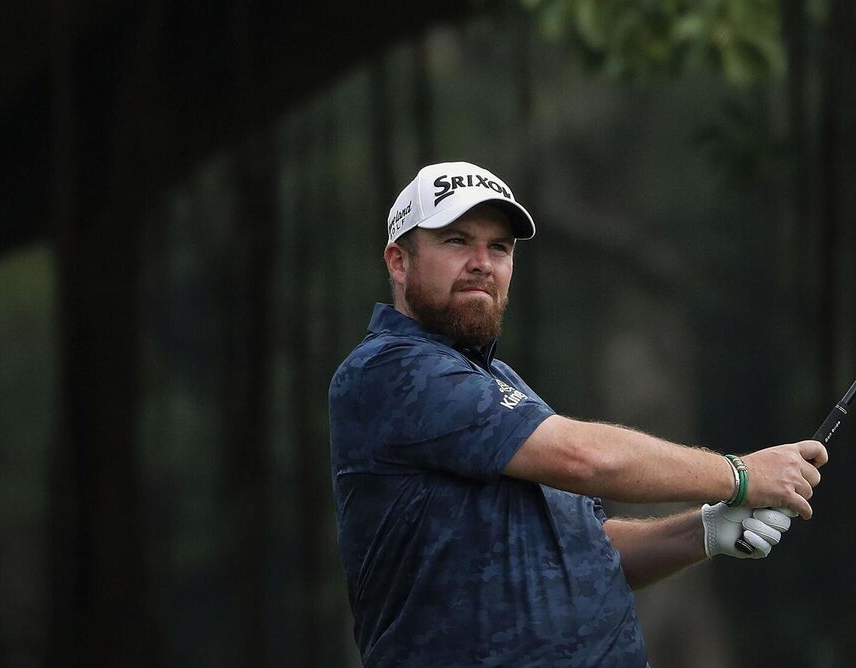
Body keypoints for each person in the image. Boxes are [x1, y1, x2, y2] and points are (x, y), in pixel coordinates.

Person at [329, 161, 828, 667]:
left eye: (499, 247)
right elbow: (588, 460)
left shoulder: (503, 384)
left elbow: (587, 548)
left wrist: (703, 531)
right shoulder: (389, 370)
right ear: (398, 261)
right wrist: (740, 475)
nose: (482, 262)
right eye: (457, 241)